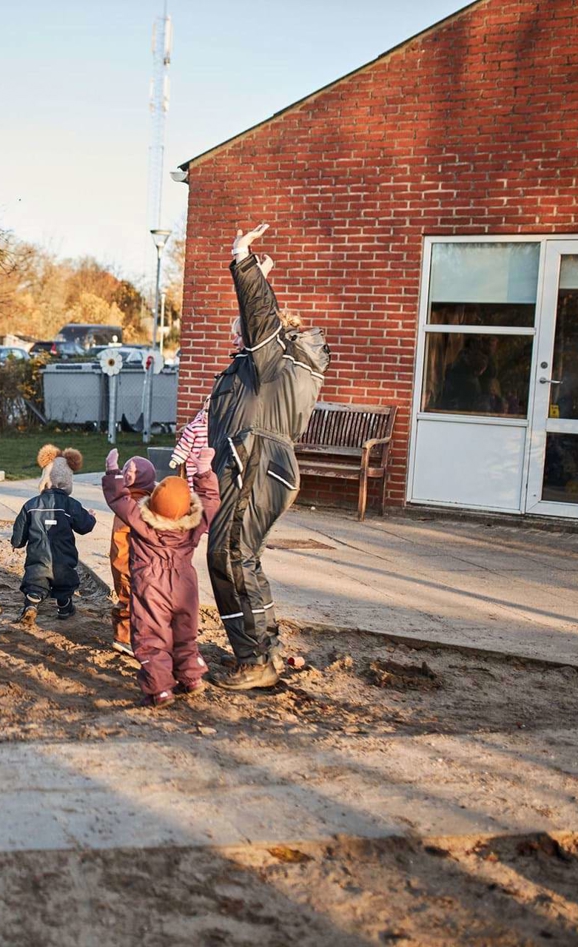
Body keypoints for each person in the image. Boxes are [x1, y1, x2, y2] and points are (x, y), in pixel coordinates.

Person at [205, 223, 329, 690]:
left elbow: (258, 312)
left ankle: (254, 659)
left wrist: (244, 260)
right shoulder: (272, 366)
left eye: (240, 326)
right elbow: (258, 316)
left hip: (254, 462)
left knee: (229, 555)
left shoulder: (271, 360)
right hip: (258, 463)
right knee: (244, 557)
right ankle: (266, 647)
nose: (233, 329)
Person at [104, 446, 220, 706]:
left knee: (151, 639)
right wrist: (204, 471)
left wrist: (113, 472)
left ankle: (160, 691)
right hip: (184, 587)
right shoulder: (193, 525)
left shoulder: (143, 522)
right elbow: (210, 502)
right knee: (184, 635)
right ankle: (191, 678)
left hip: (151, 587)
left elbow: (119, 501)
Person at [10, 445, 96, 623]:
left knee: (35, 582)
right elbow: (84, 526)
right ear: (67, 482)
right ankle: (64, 607)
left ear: (44, 481)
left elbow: (20, 529)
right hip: (64, 558)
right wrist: (91, 518)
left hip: (38, 557)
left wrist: (16, 543)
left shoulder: (31, 505)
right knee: (65, 583)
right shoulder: (70, 505)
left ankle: (32, 603)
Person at [106, 454, 157, 657]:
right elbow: (114, 495)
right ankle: (126, 637)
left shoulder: (139, 503)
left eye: (134, 471)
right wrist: (112, 473)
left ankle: (127, 637)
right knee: (129, 598)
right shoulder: (127, 501)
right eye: (126, 468)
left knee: (133, 599)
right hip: (125, 561)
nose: (128, 472)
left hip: (133, 562)